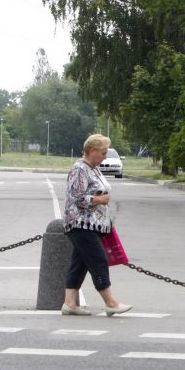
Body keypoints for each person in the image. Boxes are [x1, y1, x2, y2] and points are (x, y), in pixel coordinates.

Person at [62, 133, 133, 317]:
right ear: (92, 151)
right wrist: (100, 199)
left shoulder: (93, 168)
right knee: (98, 260)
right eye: (103, 153)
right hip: (81, 224)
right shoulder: (80, 169)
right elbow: (77, 198)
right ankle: (110, 303)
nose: (105, 157)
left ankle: (69, 303)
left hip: (92, 225)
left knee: (80, 263)